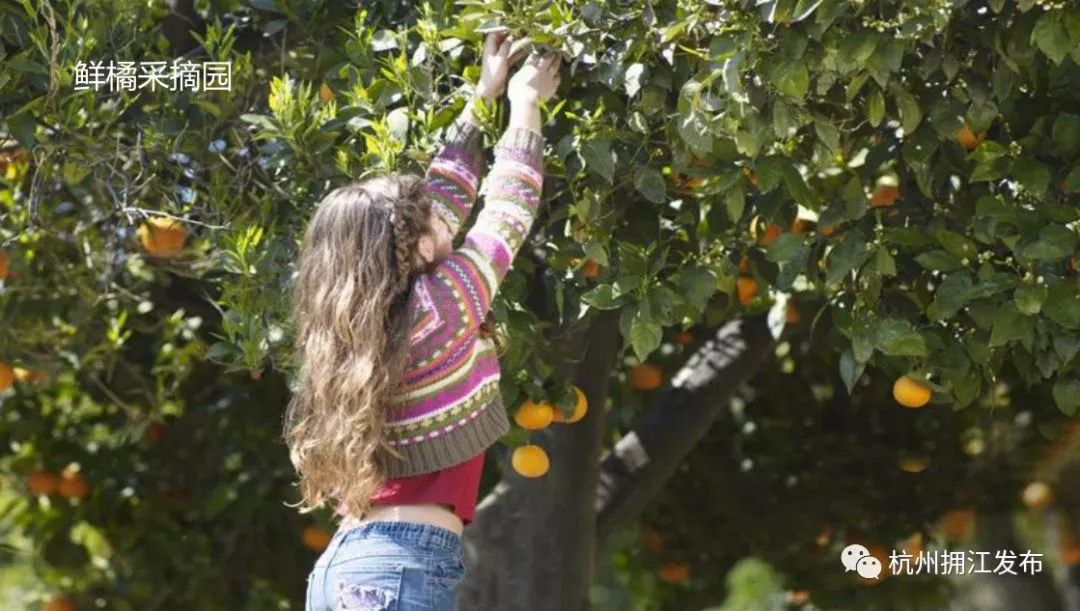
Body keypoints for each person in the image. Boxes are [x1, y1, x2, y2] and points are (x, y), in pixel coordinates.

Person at [286, 30, 561, 611]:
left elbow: (445, 194)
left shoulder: (361, 328)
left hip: (346, 570)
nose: (445, 213)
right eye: (431, 219)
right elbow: (507, 208)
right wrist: (526, 102)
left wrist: (484, 96)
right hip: (396, 573)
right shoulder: (442, 305)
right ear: (418, 249)